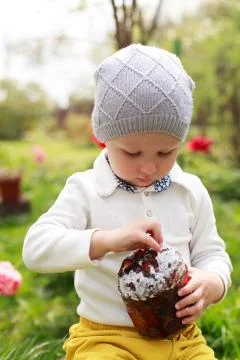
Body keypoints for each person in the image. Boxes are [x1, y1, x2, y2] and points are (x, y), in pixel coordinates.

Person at [23, 44, 232, 360]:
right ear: (104, 138)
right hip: (105, 340)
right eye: (132, 153)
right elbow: (35, 249)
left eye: (166, 153)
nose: (148, 167)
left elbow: (213, 253)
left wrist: (212, 282)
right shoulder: (86, 189)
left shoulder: (190, 191)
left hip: (182, 340)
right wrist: (106, 241)